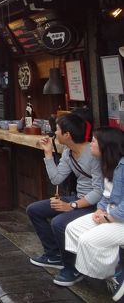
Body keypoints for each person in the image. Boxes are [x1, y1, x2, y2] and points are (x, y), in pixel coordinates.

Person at [26, 113, 103, 286]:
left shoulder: (93, 154)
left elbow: (99, 192)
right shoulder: (68, 153)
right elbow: (56, 179)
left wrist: (71, 205)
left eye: (58, 129)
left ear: (67, 134)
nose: (54, 132)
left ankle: (72, 268)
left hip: (94, 204)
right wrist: (47, 154)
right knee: (34, 210)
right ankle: (54, 255)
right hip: (77, 199)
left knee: (59, 223)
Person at [65, 127, 124, 299]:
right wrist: (100, 210)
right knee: (73, 228)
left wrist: (109, 217)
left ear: (106, 146)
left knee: (87, 240)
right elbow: (106, 195)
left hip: (119, 219)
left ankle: (115, 273)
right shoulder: (108, 165)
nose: (90, 144)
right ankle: (111, 272)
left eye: (94, 141)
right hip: (111, 215)